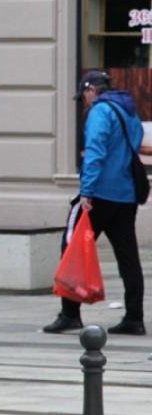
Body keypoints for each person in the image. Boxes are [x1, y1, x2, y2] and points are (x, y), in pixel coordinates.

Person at [43, 71, 146, 336]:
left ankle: (70, 314)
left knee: (71, 246)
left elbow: (96, 152)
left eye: (84, 97)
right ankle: (134, 317)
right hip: (125, 196)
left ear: (91, 90)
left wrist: (86, 191)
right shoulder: (129, 112)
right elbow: (133, 146)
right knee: (128, 257)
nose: (85, 103)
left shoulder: (101, 112)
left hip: (99, 194)